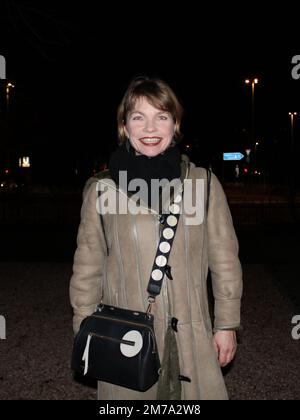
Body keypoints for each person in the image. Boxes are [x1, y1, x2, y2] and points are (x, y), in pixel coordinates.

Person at [69, 76, 243, 400]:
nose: (150, 127)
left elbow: (225, 261)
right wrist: (84, 326)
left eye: (161, 116)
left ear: (174, 124)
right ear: (125, 126)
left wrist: (226, 324)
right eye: (139, 117)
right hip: (124, 338)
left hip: (193, 338)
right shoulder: (101, 191)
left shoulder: (203, 185)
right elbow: (87, 264)